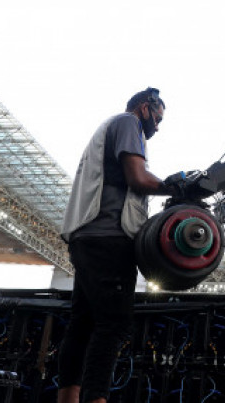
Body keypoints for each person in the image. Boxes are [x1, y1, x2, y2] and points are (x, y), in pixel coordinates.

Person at [57, 87, 172, 403]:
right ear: (144, 107)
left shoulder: (111, 128)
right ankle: (96, 398)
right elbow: (137, 178)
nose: (157, 127)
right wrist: (177, 186)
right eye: (157, 118)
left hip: (87, 238)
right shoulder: (128, 123)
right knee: (114, 326)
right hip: (109, 238)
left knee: (82, 327)